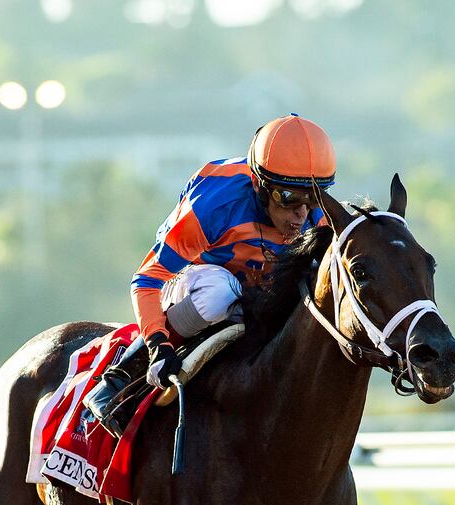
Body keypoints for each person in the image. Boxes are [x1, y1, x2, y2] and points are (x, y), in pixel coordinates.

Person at [84, 114, 336, 430]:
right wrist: (158, 346)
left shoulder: (316, 216)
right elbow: (146, 279)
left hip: (258, 295)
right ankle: (121, 377)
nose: (301, 213)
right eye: (288, 198)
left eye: (314, 197)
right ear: (260, 185)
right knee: (221, 291)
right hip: (195, 283)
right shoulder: (215, 205)